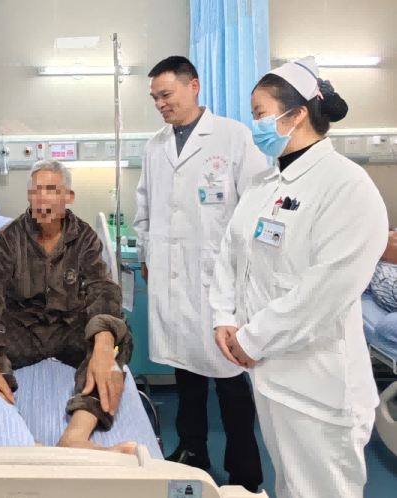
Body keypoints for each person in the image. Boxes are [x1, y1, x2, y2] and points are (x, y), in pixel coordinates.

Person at [210, 56, 388, 498]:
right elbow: (231, 254)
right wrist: (224, 317)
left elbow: (324, 291)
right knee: (289, 485)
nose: (255, 126)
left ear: (298, 113)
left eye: (260, 114)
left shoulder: (347, 186)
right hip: (269, 375)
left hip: (319, 387)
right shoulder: (264, 185)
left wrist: (251, 340)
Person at [133, 56, 267, 492]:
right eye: (155, 98)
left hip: (219, 276)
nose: (160, 104)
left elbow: (254, 206)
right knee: (185, 371)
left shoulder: (233, 136)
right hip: (172, 276)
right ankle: (193, 451)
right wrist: (147, 252)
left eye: (166, 95)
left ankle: (244, 468)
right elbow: (144, 205)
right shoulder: (155, 145)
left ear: (193, 86)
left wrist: (246, 271)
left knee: (230, 376)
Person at [0, 160, 135, 453]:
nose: (43, 198)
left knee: (119, 339)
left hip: (69, 327)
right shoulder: (10, 237)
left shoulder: (85, 238)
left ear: (69, 197)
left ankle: (76, 434)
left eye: (52, 189)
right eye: (36, 190)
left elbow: (102, 289)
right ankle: (19, 433)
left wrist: (103, 350)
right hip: (23, 329)